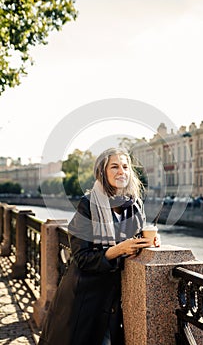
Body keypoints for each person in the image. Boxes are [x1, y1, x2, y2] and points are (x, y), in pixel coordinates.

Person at [38, 147, 160, 345]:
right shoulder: (87, 205)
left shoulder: (135, 204)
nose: (122, 171)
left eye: (125, 166)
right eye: (115, 166)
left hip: (117, 300)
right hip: (86, 298)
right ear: (102, 172)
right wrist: (118, 250)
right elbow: (81, 257)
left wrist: (151, 242)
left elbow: (136, 239)